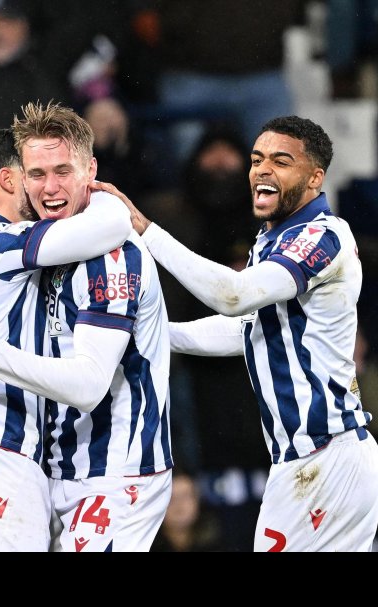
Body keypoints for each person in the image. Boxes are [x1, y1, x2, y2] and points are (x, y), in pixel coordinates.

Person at [103, 115, 378, 551]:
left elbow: (234, 296)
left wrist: (146, 231)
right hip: (313, 459)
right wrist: (147, 332)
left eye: (281, 161)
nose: (262, 170)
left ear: (315, 178)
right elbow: (245, 331)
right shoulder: (272, 242)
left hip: (326, 458)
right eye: (256, 159)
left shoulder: (323, 236)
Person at [0, 102, 174, 552]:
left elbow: (92, 372)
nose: (48, 187)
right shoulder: (14, 246)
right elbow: (111, 221)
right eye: (36, 174)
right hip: (0, 461)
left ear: (90, 170)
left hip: (99, 471)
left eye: (63, 171)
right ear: (15, 179)